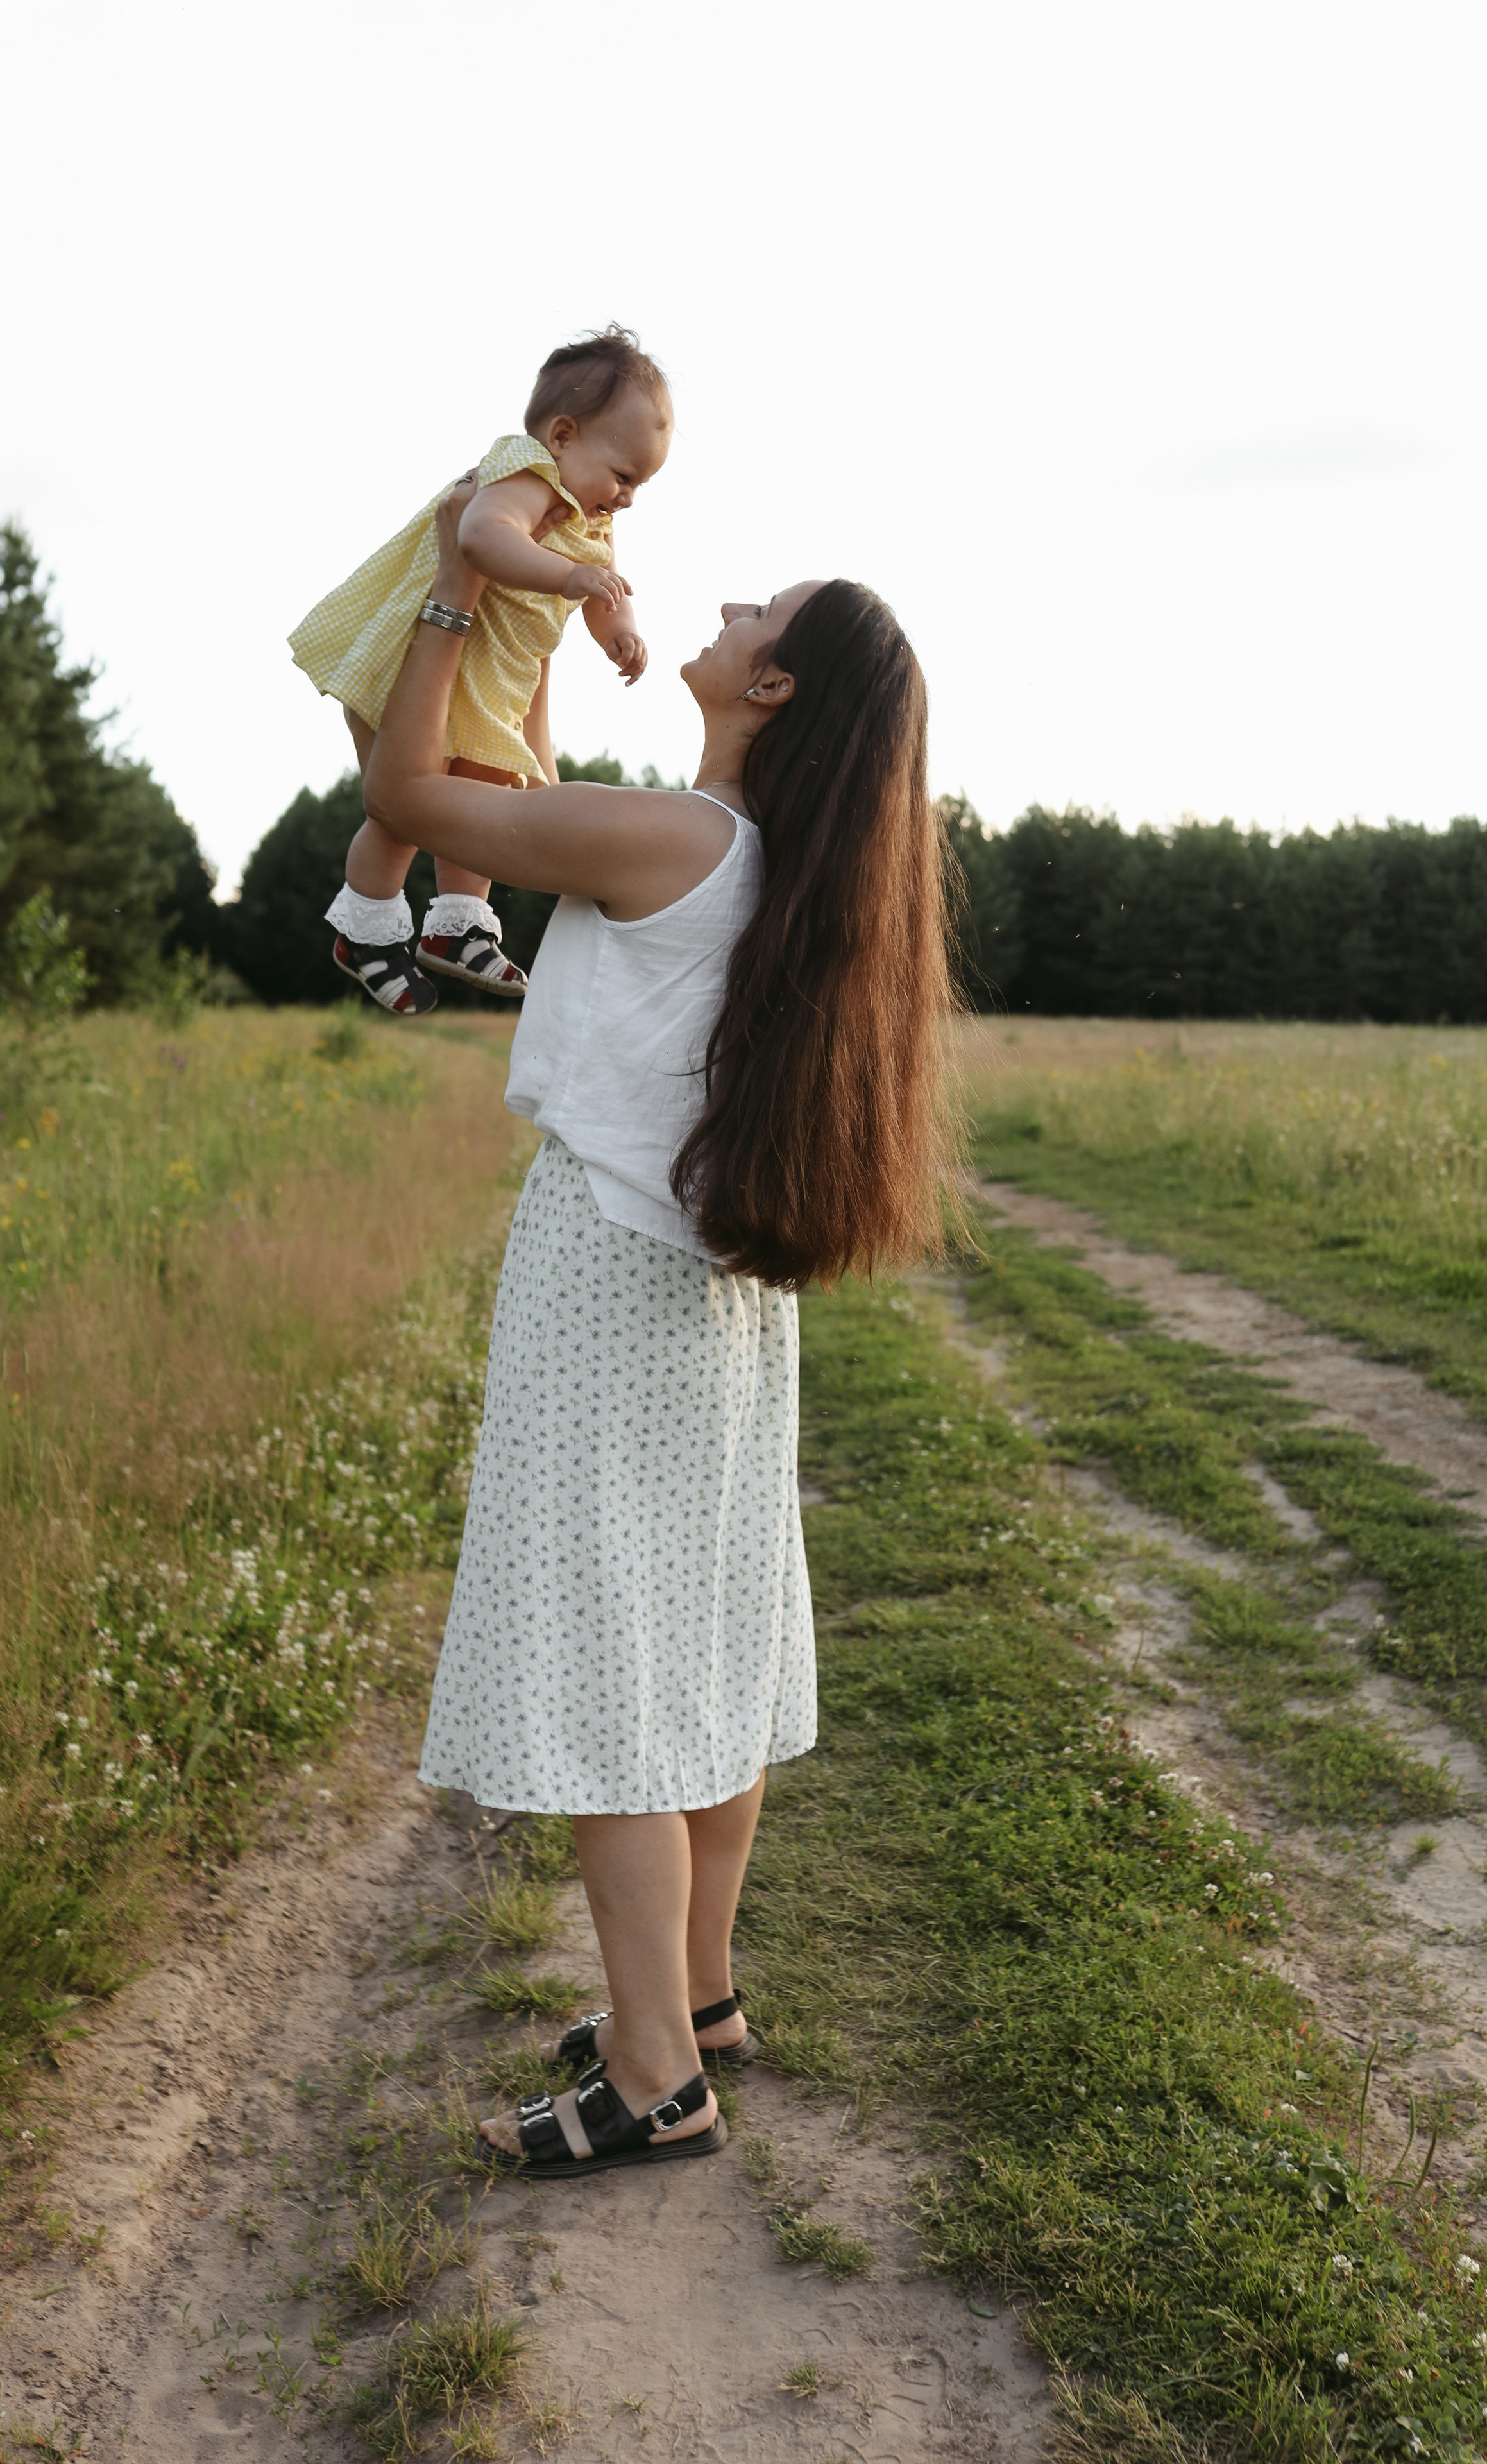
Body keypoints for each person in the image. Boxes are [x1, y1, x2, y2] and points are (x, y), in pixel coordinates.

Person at [362, 483, 955, 2177]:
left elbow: (413, 795)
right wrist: (535, 632)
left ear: (777, 692)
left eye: (766, 612)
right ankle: (696, 1996)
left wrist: (462, 597)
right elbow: (525, 796)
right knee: (705, 1628)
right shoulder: (782, 871)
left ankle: (648, 2079)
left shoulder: (677, 845)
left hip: (609, 1273)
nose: (734, 606)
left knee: (605, 1658)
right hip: (715, 1300)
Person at [287, 327, 672, 1015]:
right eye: (624, 475)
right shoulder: (526, 473)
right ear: (561, 435)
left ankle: (456, 925)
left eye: (640, 485)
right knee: (405, 810)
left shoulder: (586, 516)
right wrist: (570, 575)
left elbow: (603, 589)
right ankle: (367, 931)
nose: (628, 498)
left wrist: (621, 635)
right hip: (416, 668)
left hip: (487, 685)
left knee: (481, 797)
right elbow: (481, 539)